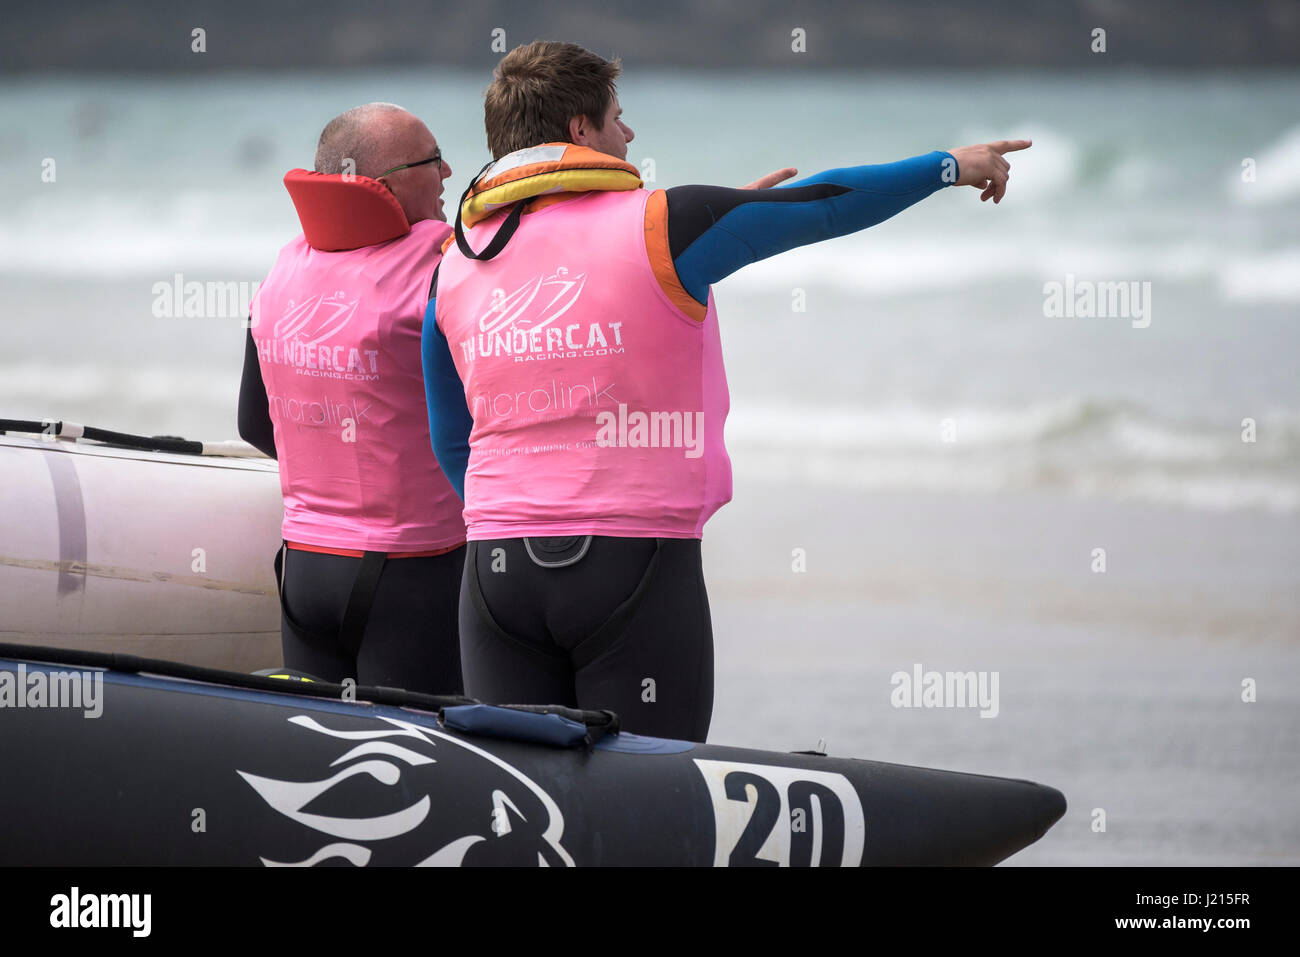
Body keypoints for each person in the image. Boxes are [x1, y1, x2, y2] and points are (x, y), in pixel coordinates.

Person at [422, 42, 1030, 740]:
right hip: (632, 564)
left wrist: (510, 513)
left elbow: (449, 436)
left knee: (527, 805)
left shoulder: (455, 260)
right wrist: (950, 165)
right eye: (619, 117)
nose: (631, 134)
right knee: (650, 799)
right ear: (581, 131)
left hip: (497, 574)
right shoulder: (665, 226)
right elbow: (829, 203)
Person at [239, 102, 467, 694]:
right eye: (434, 161)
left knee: (330, 767)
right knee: (423, 767)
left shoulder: (282, 271)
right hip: (415, 572)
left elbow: (252, 423)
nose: (449, 174)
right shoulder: (442, 262)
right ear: (386, 183)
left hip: (305, 570)